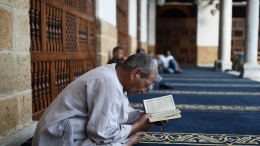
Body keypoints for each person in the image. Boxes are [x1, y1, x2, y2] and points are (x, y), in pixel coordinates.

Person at [32, 53, 168, 146]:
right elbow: (101, 135)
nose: (144, 91)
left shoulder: (114, 76)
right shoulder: (109, 82)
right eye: (145, 85)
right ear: (135, 73)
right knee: (113, 141)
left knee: (119, 133)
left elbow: (121, 112)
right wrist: (137, 126)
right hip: (56, 139)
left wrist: (146, 116)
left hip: (68, 131)